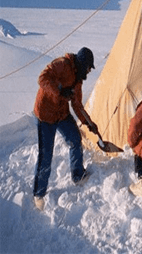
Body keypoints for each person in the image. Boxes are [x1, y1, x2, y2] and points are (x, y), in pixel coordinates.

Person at [33, 47, 99, 210]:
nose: (89, 71)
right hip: (46, 115)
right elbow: (42, 78)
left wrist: (89, 123)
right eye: (89, 67)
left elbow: (77, 105)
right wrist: (60, 90)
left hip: (61, 114)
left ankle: (77, 175)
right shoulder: (62, 64)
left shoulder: (77, 80)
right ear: (82, 64)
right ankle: (39, 194)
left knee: (75, 139)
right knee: (46, 154)